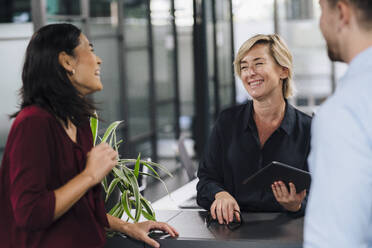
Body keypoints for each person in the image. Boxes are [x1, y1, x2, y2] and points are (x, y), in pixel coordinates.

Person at [0, 23, 178, 248]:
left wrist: (127, 226)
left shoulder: (79, 122)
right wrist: (90, 175)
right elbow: (30, 213)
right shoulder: (33, 123)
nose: (99, 60)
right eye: (90, 50)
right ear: (67, 62)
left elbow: (80, 208)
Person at [196, 34, 312, 225]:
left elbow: (323, 193)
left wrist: (297, 206)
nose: (250, 73)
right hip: (231, 232)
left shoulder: (309, 129)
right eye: (243, 67)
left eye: (258, 64)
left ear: (283, 70)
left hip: (290, 234)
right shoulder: (227, 122)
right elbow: (206, 180)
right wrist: (220, 194)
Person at [304, 0, 372, 247]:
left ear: (342, 13)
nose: (320, 23)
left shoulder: (345, 111)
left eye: (321, 10)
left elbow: (334, 241)